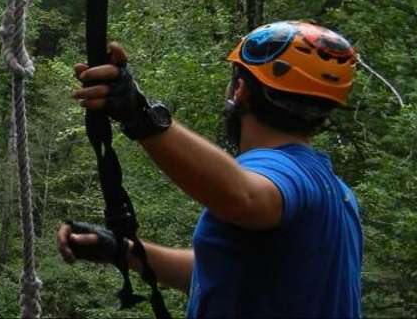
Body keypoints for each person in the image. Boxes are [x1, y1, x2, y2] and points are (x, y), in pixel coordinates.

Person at [57, 21, 363, 318]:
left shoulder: (284, 171)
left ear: (239, 90)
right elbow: (216, 272)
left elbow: (247, 197)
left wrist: (140, 115)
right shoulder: (335, 191)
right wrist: (123, 251)